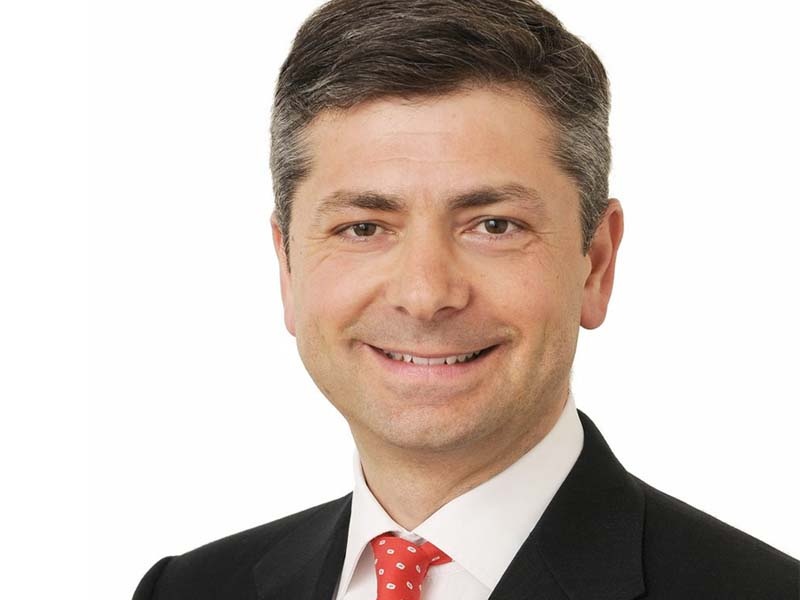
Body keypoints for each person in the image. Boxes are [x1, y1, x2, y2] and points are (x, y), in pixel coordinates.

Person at [133, 1, 799, 598]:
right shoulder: (188, 590)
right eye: (363, 228)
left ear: (595, 264)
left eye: (494, 225)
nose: (425, 295)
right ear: (287, 267)